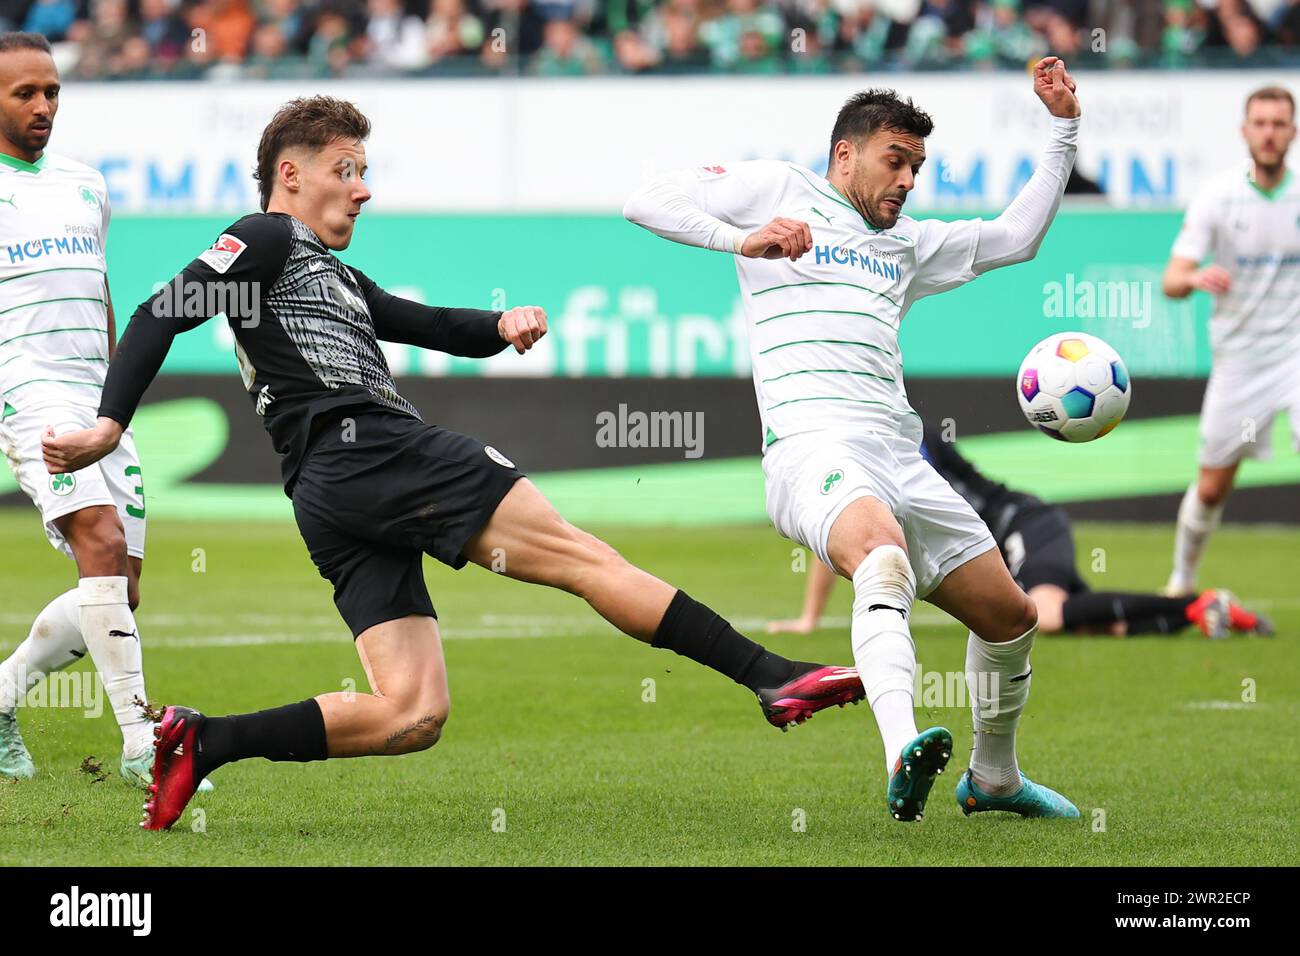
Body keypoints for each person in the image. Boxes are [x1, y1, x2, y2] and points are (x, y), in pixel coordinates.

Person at [42, 95, 863, 832]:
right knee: (584, 558)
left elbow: (422, 321)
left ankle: (204, 740)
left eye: (365, 172)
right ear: (289, 175)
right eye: (346, 171)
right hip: (376, 450)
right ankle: (768, 675)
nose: (363, 189)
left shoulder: (321, 268)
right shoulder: (264, 236)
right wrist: (110, 422)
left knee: (411, 714)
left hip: (326, 493)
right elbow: (161, 308)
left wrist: (500, 326)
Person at [624, 60, 1084, 822]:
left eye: (917, 167)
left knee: (1012, 618)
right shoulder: (779, 189)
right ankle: (901, 745)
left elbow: (1017, 237)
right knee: (884, 560)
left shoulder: (906, 244)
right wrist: (741, 239)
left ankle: (995, 779)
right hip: (813, 448)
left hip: (899, 455)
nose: (907, 180)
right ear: (846, 155)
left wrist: (1065, 128)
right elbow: (647, 201)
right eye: (894, 161)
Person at [0, 31, 212, 793]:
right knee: (98, 534)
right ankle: (140, 740)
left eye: (51, 91)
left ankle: (0, 697)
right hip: (26, 390)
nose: (43, 106)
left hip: (96, 396)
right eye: (24, 93)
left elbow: (100, 292)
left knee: (121, 586)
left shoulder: (87, 184)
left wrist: (118, 394)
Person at [767, 422, 1273, 639]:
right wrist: (809, 618)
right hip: (1006, 548)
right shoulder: (867, 442)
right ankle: (1204, 616)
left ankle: (1193, 602)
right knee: (1094, 623)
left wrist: (811, 619)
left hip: (1025, 524)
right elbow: (845, 529)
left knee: (1046, 616)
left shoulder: (898, 435)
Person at [1162, 86, 1300, 597]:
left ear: (1293, 132)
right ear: (1245, 132)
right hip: (1240, 361)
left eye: (1279, 123)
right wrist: (1196, 278)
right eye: (1260, 123)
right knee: (1214, 485)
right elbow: (1171, 281)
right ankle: (1182, 581)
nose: (1269, 133)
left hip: (1296, 354)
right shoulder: (1218, 196)